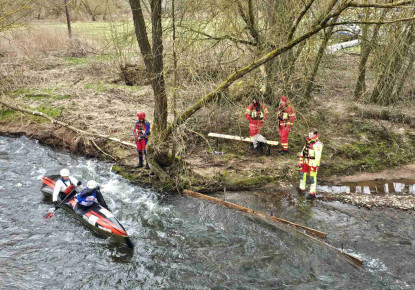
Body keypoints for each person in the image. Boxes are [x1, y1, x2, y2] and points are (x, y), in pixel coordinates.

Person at [297, 129, 323, 200]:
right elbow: (303, 151)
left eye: (311, 134)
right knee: (302, 175)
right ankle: (301, 188)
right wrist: (300, 161)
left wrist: (316, 165)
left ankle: (312, 193)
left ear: (315, 135)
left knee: (312, 178)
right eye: (309, 134)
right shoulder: (307, 141)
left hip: (312, 164)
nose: (309, 136)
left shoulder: (318, 144)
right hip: (305, 162)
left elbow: (318, 156)